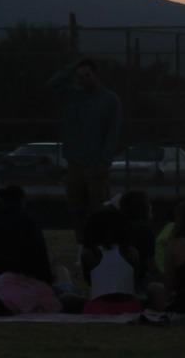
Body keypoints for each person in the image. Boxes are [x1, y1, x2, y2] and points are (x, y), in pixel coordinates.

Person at [53, 58, 123, 228]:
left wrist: (104, 161)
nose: (84, 79)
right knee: (76, 209)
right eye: (80, 76)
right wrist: (70, 68)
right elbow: (52, 85)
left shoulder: (109, 99)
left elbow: (112, 132)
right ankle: (81, 246)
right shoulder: (72, 96)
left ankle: (99, 245)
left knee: (99, 209)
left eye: (87, 75)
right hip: (75, 163)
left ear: (96, 75)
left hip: (96, 164)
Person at [81, 202, 149, 312]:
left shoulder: (89, 253)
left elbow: (89, 281)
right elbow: (135, 280)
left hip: (98, 308)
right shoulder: (131, 252)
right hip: (130, 307)